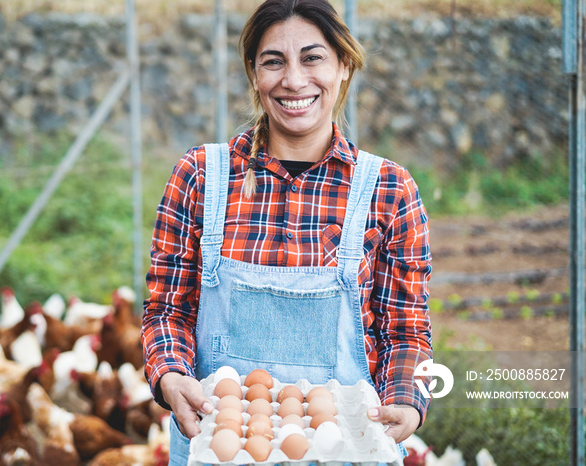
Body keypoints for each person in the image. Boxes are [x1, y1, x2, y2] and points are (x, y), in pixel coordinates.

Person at [141, 0, 432, 463]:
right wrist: (171, 377)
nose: (293, 80)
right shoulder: (200, 176)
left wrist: (407, 400)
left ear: (344, 66)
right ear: (254, 74)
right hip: (221, 446)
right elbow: (166, 312)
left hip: (347, 450)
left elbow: (406, 332)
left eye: (312, 57)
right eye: (273, 61)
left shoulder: (389, 189)